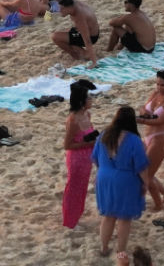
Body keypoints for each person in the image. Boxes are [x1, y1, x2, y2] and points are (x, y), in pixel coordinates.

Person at [93, 106, 151, 257]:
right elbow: (141, 166)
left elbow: (96, 158)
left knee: (108, 216)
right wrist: (146, 183)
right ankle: (120, 251)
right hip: (126, 180)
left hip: (104, 176)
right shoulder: (134, 140)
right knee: (124, 219)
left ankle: (104, 248)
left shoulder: (104, 135)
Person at [138, 71, 164, 210]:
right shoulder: (155, 94)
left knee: (146, 175)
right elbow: (143, 108)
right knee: (144, 171)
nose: (159, 87)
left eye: (162, 85)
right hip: (148, 136)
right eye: (157, 84)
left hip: (159, 138)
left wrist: (143, 118)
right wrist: (147, 116)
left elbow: (158, 120)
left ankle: (157, 204)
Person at [62, 81, 97, 228]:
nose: (91, 100)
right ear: (82, 101)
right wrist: (88, 144)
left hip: (87, 158)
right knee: (73, 189)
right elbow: (67, 145)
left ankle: (76, 216)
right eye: (88, 98)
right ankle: (69, 220)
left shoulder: (87, 115)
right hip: (77, 158)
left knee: (81, 188)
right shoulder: (73, 120)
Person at [53, 0, 101, 66]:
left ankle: (80, 55)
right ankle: (80, 50)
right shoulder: (73, 3)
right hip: (90, 30)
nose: (59, 10)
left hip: (91, 36)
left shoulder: (79, 17)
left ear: (69, 7)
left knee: (55, 37)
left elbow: (87, 40)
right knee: (66, 34)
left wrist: (94, 62)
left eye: (62, 9)